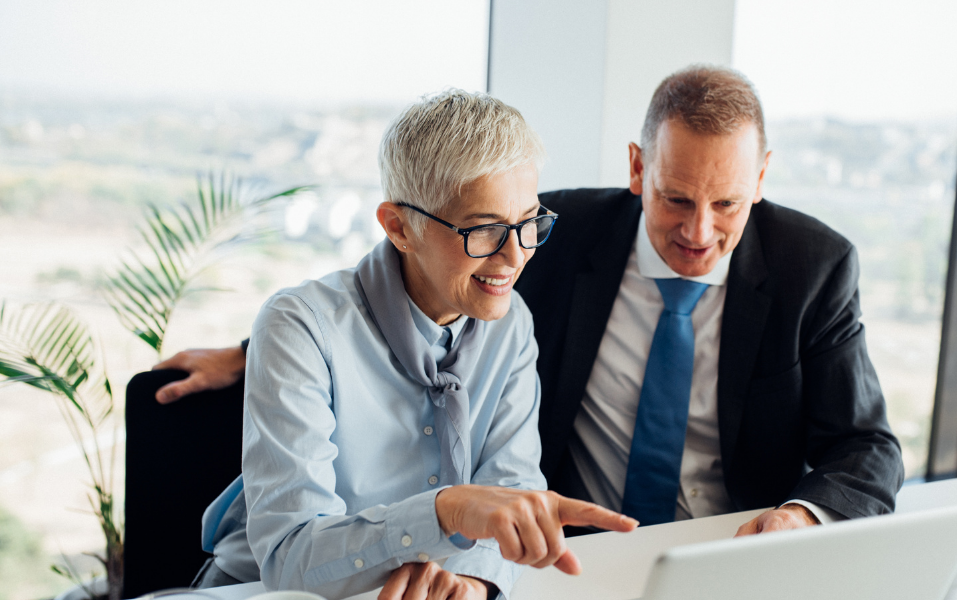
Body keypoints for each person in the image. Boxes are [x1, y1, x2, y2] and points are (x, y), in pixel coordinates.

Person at [158, 66, 904, 541]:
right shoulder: (549, 231)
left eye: (728, 203)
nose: (700, 232)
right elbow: (426, 261)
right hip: (564, 548)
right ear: (638, 169)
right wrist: (258, 352)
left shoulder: (815, 267)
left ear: (764, 178)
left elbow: (867, 449)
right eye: (677, 198)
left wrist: (802, 515)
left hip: (724, 550)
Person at [192, 90, 636, 600]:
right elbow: (289, 560)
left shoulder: (510, 323)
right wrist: (444, 511)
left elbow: (513, 490)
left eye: (528, 222)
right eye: (485, 229)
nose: (515, 256)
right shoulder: (302, 327)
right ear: (399, 227)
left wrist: (471, 579)